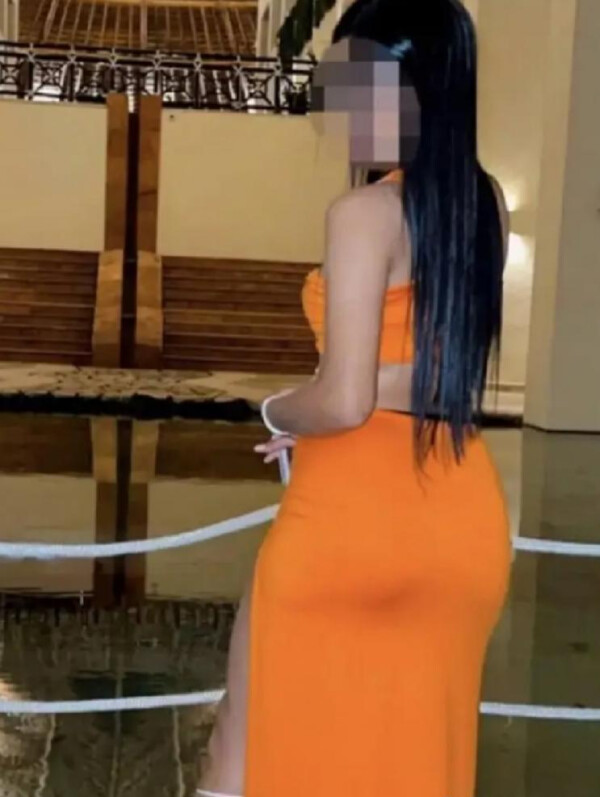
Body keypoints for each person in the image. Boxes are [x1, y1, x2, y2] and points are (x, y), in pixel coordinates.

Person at [197, 1, 512, 795]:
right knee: (411, 754)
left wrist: (279, 409)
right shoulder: (485, 206)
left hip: (349, 521)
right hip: (461, 521)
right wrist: (334, 400)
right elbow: (443, 378)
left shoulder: (362, 214)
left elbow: (343, 401)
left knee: (244, 739)